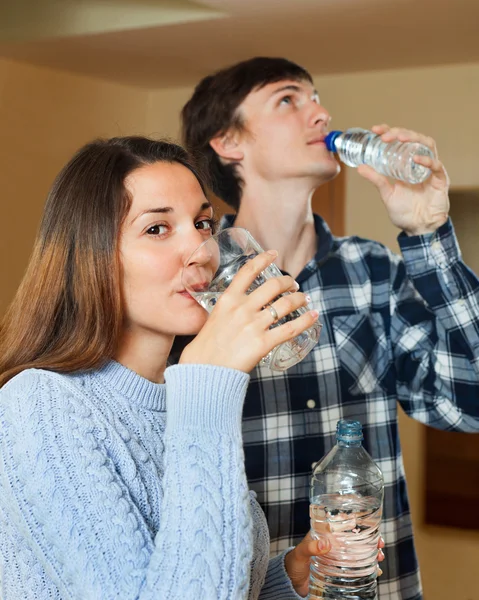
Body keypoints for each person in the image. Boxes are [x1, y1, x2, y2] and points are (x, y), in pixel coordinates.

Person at [181, 57, 479, 600]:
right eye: (289, 100)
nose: (320, 113)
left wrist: (429, 231)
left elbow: (470, 402)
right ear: (229, 142)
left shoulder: (374, 272)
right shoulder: (194, 287)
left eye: (316, 97)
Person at [0, 136, 336, 599]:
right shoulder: (40, 404)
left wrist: (285, 579)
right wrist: (207, 387)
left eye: (202, 223)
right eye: (157, 228)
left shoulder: (183, 397)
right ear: (92, 256)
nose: (201, 249)